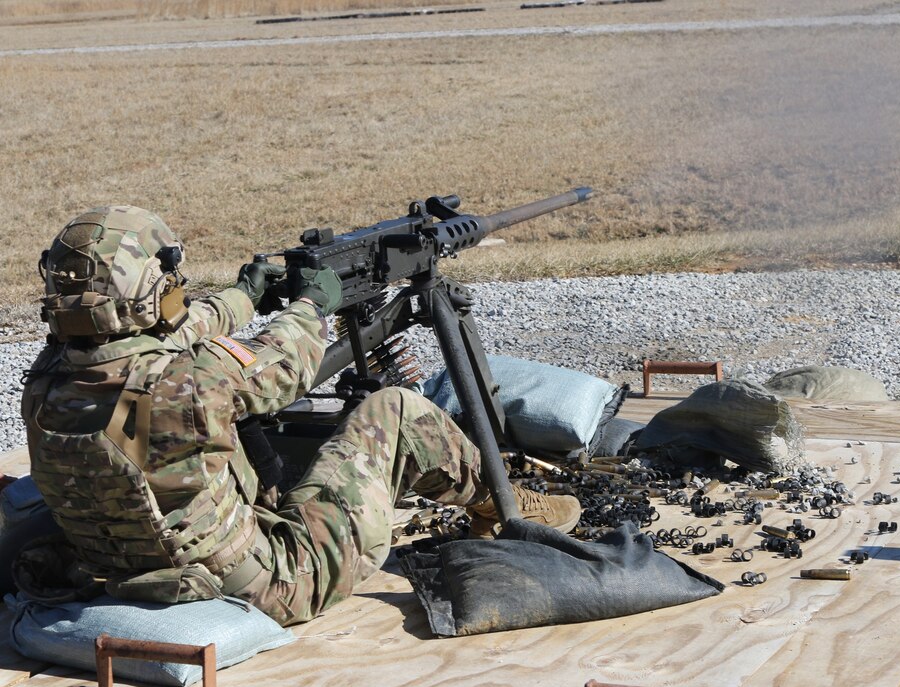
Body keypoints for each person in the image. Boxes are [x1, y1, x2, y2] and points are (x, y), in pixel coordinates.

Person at [20, 205, 580, 625]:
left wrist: (243, 296)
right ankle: (501, 503)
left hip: (134, 576)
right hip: (271, 585)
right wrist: (312, 305)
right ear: (151, 288)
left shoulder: (47, 379)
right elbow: (285, 365)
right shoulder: (193, 383)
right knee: (396, 411)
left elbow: (178, 331)